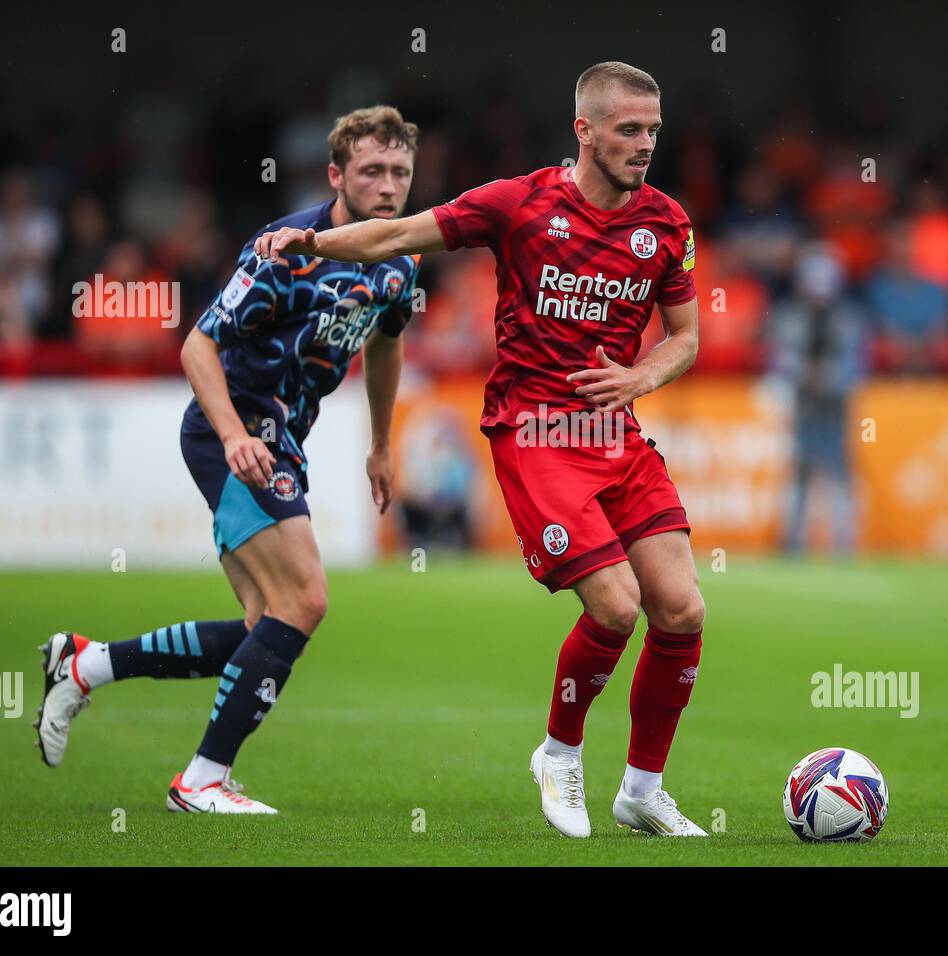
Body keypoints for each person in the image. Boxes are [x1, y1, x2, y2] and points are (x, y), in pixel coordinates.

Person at [257, 62, 707, 838]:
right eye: (629, 130)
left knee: (682, 609)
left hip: (615, 434)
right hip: (535, 433)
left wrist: (641, 376)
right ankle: (560, 755)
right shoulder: (521, 203)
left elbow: (688, 339)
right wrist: (315, 241)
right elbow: (400, 232)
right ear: (586, 131)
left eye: (653, 131)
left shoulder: (667, 223)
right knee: (616, 605)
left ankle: (642, 789)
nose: (644, 145)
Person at [34, 106, 423, 814]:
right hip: (235, 431)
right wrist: (235, 435)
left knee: (260, 628)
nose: (389, 185)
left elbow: (387, 341)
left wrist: (381, 442)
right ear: (337, 175)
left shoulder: (400, 262)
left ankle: (88, 663)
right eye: (372, 170)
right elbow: (196, 346)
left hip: (281, 438)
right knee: (304, 600)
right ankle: (202, 779)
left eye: (400, 171)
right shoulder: (285, 250)